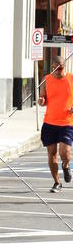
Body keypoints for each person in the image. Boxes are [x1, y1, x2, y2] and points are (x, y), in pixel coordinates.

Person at [38, 57, 73, 192]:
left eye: (60, 69)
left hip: (67, 123)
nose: (57, 72)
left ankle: (65, 165)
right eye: (55, 69)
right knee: (51, 154)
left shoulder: (71, 79)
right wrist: (41, 100)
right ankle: (57, 182)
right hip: (49, 122)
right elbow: (43, 97)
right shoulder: (46, 80)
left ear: (65, 66)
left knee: (65, 152)